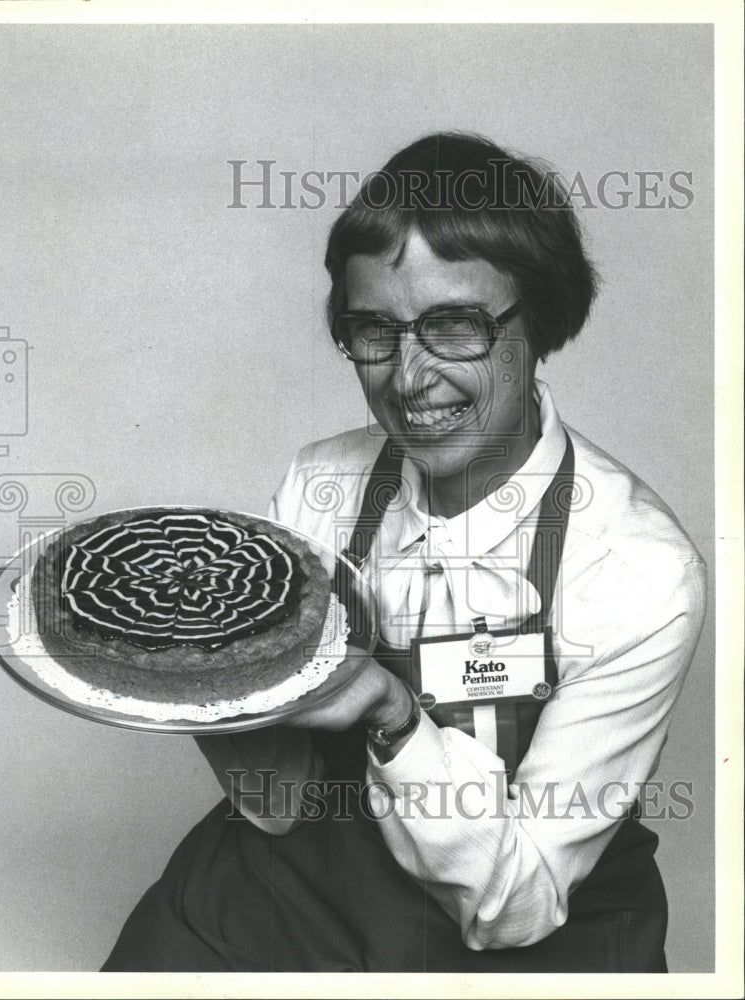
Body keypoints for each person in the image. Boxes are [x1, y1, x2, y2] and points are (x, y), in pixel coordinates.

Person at [102, 132, 707, 973]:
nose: (409, 377)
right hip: (293, 885)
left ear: (540, 322)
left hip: (525, 925)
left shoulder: (637, 571)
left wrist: (389, 715)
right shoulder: (321, 483)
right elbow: (273, 800)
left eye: (454, 325)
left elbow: (517, 905)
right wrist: (208, 663)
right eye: (375, 331)